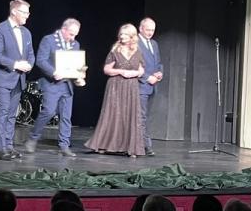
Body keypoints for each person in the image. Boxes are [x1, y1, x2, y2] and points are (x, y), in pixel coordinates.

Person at [24, 17, 86, 157]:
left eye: (75, 35)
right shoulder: (49, 40)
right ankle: (33, 138)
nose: (73, 37)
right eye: (71, 34)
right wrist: (53, 72)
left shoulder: (75, 44)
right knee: (49, 111)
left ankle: (64, 145)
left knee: (66, 116)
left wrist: (80, 75)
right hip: (51, 83)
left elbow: (77, 65)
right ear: (63, 29)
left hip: (67, 84)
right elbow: (41, 60)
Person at [85, 23, 146, 157]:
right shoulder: (115, 50)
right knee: (113, 114)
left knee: (129, 115)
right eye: (121, 34)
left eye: (125, 34)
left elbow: (141, 70)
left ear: (132, 36)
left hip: (131, 87)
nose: (122, 36)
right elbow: (107, 69)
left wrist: (135, 73)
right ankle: (104, 145)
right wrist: (121, 71)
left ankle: (130, 148)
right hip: (116, 86)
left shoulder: (138, 51)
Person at [0, 0, 35, 160]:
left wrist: (28, 65)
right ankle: (1, 148)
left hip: (19, 79)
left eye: (28, 13)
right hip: (1, 78)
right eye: (25, 12)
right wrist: (15, 64)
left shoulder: (26, 32)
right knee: (3, 111)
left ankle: (9, 146)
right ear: (14, 11)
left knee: (12, 114)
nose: (27, 15)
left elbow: (31, 54)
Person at [137, 17, 164, 156]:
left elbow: (158, 62)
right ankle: (145, 145)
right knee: (141, 117)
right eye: (148, 30)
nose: (150, 33)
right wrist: (148, 77)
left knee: (145, 116)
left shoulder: (154, 43)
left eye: (152, 30)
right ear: (140, 28)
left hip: (152, 87)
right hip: (140, 86)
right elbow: (134, 66)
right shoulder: (135, 43)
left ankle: (143, 144)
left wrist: (159, 72)